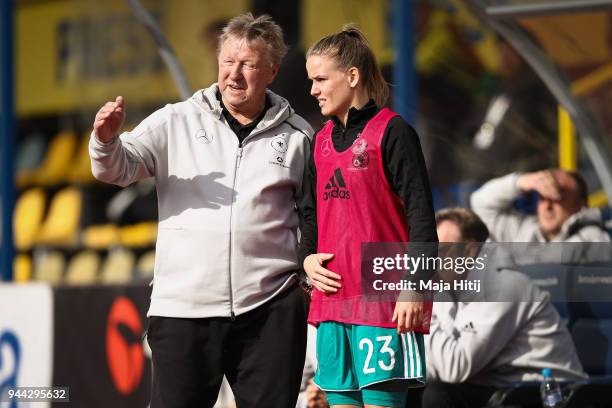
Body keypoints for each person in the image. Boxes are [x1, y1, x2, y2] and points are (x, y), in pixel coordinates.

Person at [90, 13, 313, 408]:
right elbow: (118, 168)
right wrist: (105, 141)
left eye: (248, 64)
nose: (235, 74)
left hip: (269, 310)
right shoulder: (174, 120)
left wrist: (300, 285)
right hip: (183, 309)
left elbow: (311, 215)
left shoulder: (299, 136)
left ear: (272, 71)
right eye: (228, 61)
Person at [301, 25, 438, 408]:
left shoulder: (393, 132)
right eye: (311, 80)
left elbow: (422, 218)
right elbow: (310, 214)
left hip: (384, 303)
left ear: (353, 76)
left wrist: (415, 286)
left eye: (320, 79)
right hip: (331, 304)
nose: (313, 89)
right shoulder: (320, 140)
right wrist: (306, 258)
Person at [422, 208, 587, 408]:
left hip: (548, 393)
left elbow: (455, 366)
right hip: (498, 388)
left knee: (437, 396)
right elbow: (435, 361)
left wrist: (421, 308)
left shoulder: (502, 288)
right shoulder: (446, 290)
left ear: (469, 251)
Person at [471, 169, 610, 243]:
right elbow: (480, 204)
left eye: (558, 196)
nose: (548, 205)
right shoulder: (523, 232)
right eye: (543, 196)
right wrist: (524, 181)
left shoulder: (595, 238)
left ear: (581, 204)